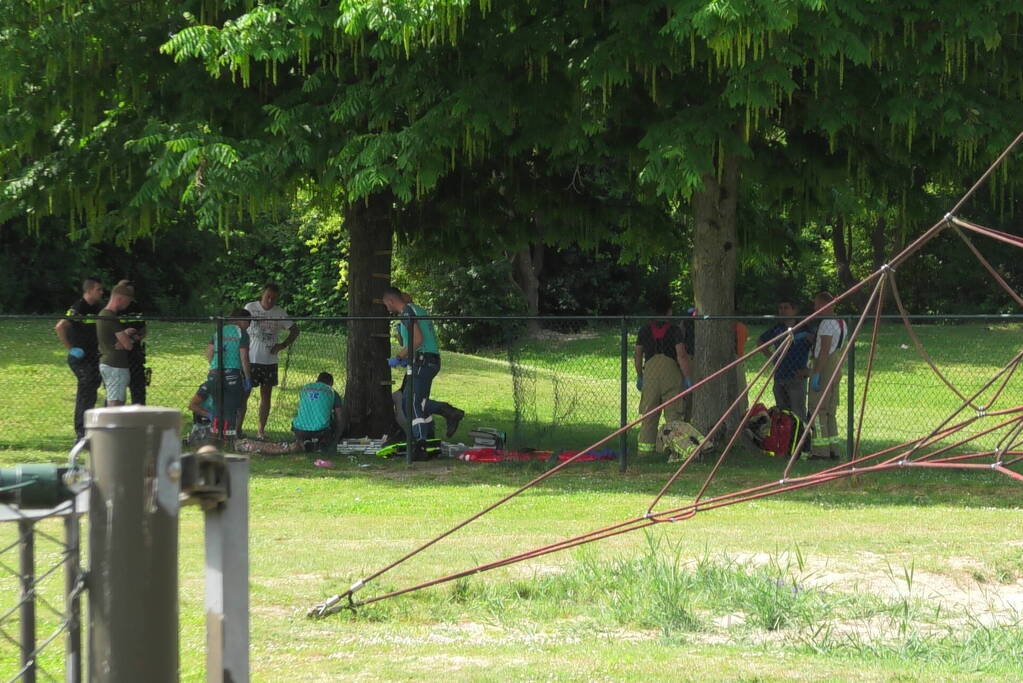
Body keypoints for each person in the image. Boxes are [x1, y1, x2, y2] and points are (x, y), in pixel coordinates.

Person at [382, 287, 464, 456]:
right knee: (419, 401)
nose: (386, 308)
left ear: (391, 300)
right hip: (428, 359)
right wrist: (407, 358)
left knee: (410, 402)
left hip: (424, 361)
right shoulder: (418, 310)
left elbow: (418, 340)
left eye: (386, 304)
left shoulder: (406, 313)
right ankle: (443, 419)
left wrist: (398, 357)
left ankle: (419, 443)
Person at [241, 284, 300, 439]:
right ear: (262, 294)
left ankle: (261, 431)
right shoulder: (250, 307)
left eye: (274, 298)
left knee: (266, 396)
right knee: (244, 393)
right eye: (268, 296)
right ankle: (237, 429)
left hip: (270, 361)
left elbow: (295, 330)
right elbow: (239, 325)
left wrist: (282, 345)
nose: (270, 300)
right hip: (251, 359)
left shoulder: (280, 313)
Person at [634, 294, 689, 457]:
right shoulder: (674, 330)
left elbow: (638, 355)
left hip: (650, 374)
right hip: (671, 375)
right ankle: (677, 451)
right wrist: (687, 378)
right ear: (669, 311)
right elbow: (681, 355)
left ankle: (645, 452)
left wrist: (640, 376)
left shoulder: (644, 330)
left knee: (649, 413)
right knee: (674, 414)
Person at [55, 276, 105, 439]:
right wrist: (71, 349)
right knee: (86, 387)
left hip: (94, 355)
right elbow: (61, 326)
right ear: (89, 290)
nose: (101, 292)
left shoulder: (98, 307)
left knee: (92, 388)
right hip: (80, 357)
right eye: (98, 289)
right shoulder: (79, 307)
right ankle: (81, 431)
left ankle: (91, 427)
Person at [757, 298, 814, 425]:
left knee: (798, 414)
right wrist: (773, 358)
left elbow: (818, 347)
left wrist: (809, 369)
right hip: (780, 376)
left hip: (797, 377)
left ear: (794, 310)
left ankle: (801, 441)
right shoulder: (778, 329)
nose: (782, 311)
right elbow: (760, 342)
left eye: (786, 308)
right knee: (782, 414)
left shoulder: (805, 329)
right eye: (780, 308)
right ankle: (785, 441)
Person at [805, 292, 847, 460]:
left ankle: (820, 450)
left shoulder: (826, 323)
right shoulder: (842, 322)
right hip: (836, 364)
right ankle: (833, 448)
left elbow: (824, 350)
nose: (815, 309)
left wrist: (816, 373)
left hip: (825, 365)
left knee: (817, 409)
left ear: (826, 305)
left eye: (817, 305)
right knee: (830, 410)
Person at [205, 308, 253, 438]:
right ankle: (230, 438)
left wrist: (215, 366)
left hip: (214, 373)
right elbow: (244, 357)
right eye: (248, 322)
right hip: (233, 374)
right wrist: (248, 378)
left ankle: (215, 436)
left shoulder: (218, 331)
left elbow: (209, 353)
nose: (249, 325)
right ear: (241, 320)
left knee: (216, 405)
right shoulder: (241, 333)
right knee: (231, 407)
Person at [95, 282, 139, 407]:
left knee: (115, 399)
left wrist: (124, 334)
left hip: (107, 362)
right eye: (128, 301)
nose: (128, 305)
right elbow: (127, 345)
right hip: (116, 365)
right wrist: (130, 338)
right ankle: (113, 426)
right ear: (120, 299)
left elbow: (114, 338)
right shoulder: (110, 316)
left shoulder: (102, 314)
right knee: (115, 403)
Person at [292, 372, 347, 452]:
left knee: (299, 423)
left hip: (300, 429)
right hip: (321, 431)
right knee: (332, 418)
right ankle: (323, 442)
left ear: (317, 380)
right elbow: (339, 415)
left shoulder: (305, 388)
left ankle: (304, 442)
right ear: (330, 384)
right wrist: (338, 434)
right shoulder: (331, 391)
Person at [116, 279, 148, 405]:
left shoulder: (136, 307)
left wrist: (137, 337)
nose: (129, 297)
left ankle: (139, 419)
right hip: (118, 356)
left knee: (138, 389)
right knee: (117, 394)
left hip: (135, 354)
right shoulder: (112, 309)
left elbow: (143, 328)